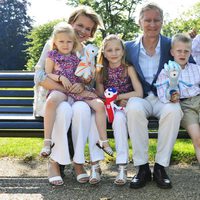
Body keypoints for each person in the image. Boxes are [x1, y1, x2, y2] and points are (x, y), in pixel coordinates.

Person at [34, 5, 105, 186]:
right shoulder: (55, 44)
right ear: (71, 23)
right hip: (53, 97)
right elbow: (40, 75)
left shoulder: (87, 51)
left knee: (81, 110)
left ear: (91, 33)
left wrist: (82, 84)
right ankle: (54, 163)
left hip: (78, 98)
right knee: (63, 110)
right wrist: (64, 88)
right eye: (79, 25)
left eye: (88, 29)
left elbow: (88, 80)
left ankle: (78, 162)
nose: (82, 31)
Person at [125, 3, 185, 189]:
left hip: (164, 98)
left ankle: (160, 167)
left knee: (174, 111)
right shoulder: (128, 47)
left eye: (156, 20)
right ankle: (142, 168)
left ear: (162, 22)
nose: (152, 24)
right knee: (133, 108)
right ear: (139, 22)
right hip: (140, 97)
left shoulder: (171, 44)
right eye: (147, 20)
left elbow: (189, 63)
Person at [40, 22, 113, 158]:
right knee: (51, 101)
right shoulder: (52, 55)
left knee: (99, 105)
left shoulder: (76, 57)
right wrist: (61, 77)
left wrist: (85, 80)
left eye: (69, 42)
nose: (65, 44)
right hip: (61, 90)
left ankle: (103, 141)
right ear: (55, 42)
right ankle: (47, 141)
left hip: (76, 90)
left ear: (73, 43)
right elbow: (47, 73)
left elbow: (81, 75)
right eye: (61, 41)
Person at [96, 34, 143, 185]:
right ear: (103, 52)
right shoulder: (101, 71)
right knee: (113, 117)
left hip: (126, 107)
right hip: (108, 109)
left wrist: (119, 97)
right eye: (109, 50)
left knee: (120, 118)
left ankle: (122, 167)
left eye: (117, 49)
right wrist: (109, 101)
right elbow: (100, 94)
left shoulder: (128, 68)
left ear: (123, 51)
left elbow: (139, 93)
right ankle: (96, 165)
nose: (114, 53)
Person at [156, 33, 200, 165]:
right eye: (179, 51)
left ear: (190, 53)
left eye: (186, 51)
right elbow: (162, 92)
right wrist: (171, 97)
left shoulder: (196, 69)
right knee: (198, 139)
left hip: (198, 99)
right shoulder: (166, 71)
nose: (182, 54)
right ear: (172, 52)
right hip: (185, 107)